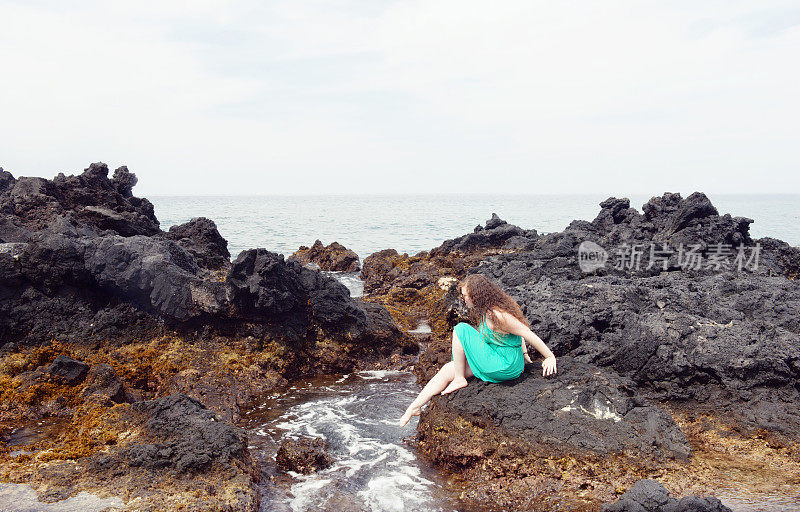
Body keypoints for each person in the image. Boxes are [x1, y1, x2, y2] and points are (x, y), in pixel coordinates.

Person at [398, 273, 557, 427]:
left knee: (460, 329)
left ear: (476, 295)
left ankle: (460, 379)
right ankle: (414, 406)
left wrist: (549, 357)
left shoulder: (498, 314)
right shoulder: (486, 311)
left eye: (465, 295)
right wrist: (524, 356)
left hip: (504, 365)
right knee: (448, 369)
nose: (463, 299)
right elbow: (516, 335)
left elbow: (525, 332)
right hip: (500, 359)